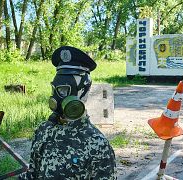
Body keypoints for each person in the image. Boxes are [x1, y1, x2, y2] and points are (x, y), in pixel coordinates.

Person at [20, 46, 116, 179]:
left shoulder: (97, 143)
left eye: (65, 90)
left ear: (83, 91)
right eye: (56, 90)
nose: (58, 98)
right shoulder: (43, 131)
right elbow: (32, 174)